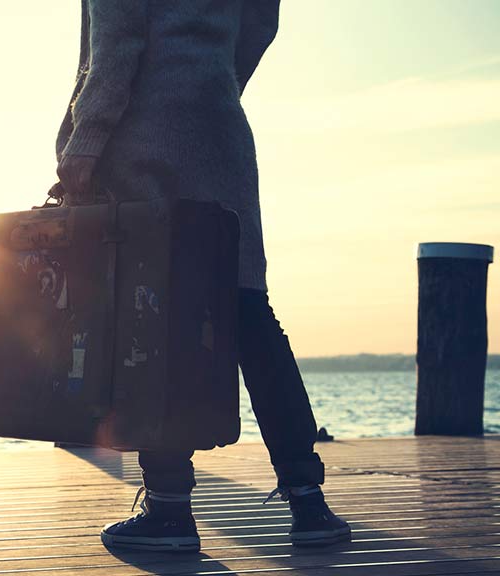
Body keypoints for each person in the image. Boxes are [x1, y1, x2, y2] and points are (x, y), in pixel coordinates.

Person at [53, 1, 351, 551]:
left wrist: (81, 145)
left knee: (153, 329)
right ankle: (309, 502)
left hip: (143, 138)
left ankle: (168, 511)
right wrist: (211, 78)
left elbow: (116, 45)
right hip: (220, 132)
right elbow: (262, 23)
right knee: (248, 313)